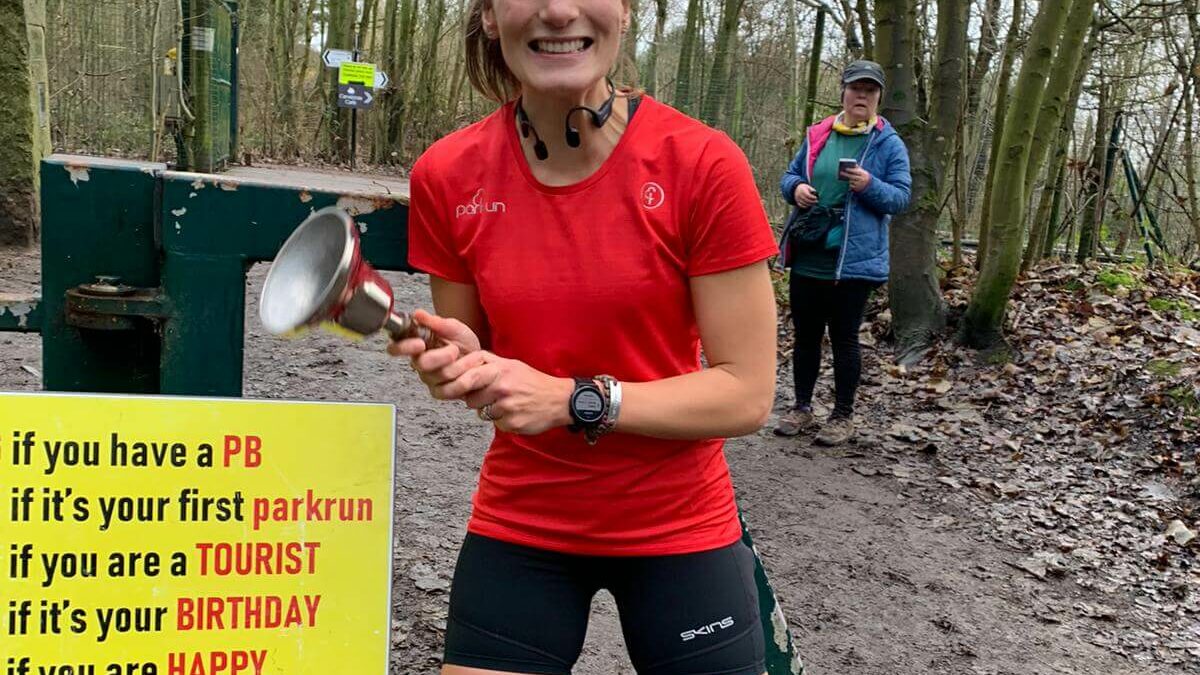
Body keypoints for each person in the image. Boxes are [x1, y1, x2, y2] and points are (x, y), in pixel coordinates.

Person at [387, 0, 780, 671]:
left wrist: (579, 400)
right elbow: (485, 371)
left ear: (625, 12)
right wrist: (457, 368)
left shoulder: (702, 163)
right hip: (523, 518)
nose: (559, 10)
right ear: (488, 16)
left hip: (679, 522)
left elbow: (746, 392)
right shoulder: (447, 175)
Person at [773, 60, 912, 446]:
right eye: (855, 89)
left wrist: (869, 184)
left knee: (845, 338)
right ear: (844, 93)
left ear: (879, 97)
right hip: (809, 251)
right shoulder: (819, 134)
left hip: (853, 261)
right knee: (806, 335)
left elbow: (901, 198)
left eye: (869, 90)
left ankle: (842, 416)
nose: (861, 96)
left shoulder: (887, 143)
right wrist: (796, 189)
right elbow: (790, 176)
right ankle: (801, 407)